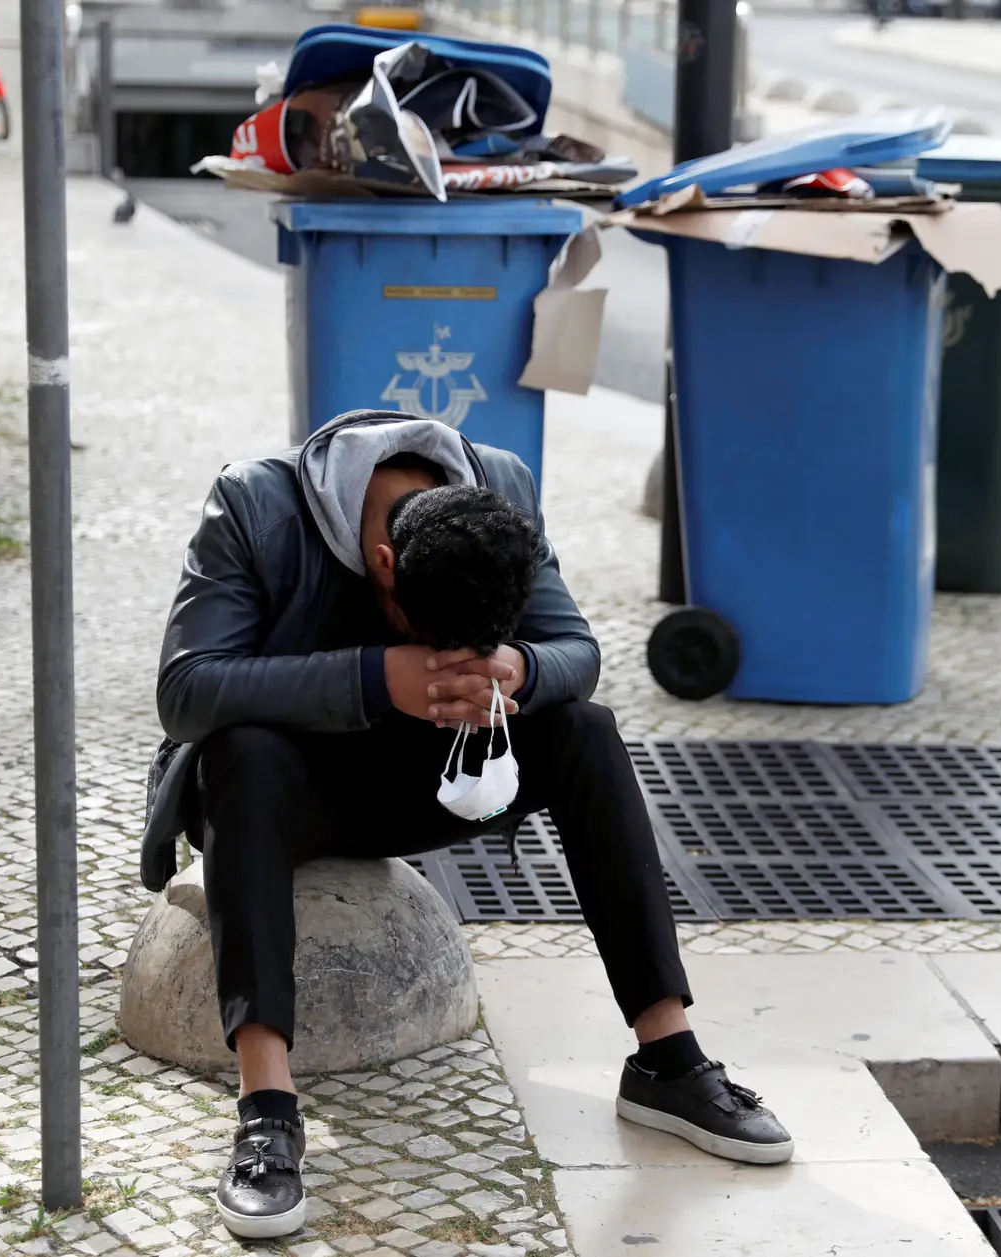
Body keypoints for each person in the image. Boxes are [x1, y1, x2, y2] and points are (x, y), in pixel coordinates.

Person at [140, 410, 794, 1239]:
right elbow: (187, 688)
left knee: (586, 729)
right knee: (247, 752)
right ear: (382, 562)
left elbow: (577, 649)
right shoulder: (256, 504)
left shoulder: (500, 488)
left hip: (434, 774)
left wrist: (514, 667)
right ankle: (268, 1110)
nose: (453, 657)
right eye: (436, 639)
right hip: (277, 791)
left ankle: (667, 1056)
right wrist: (382, 675)